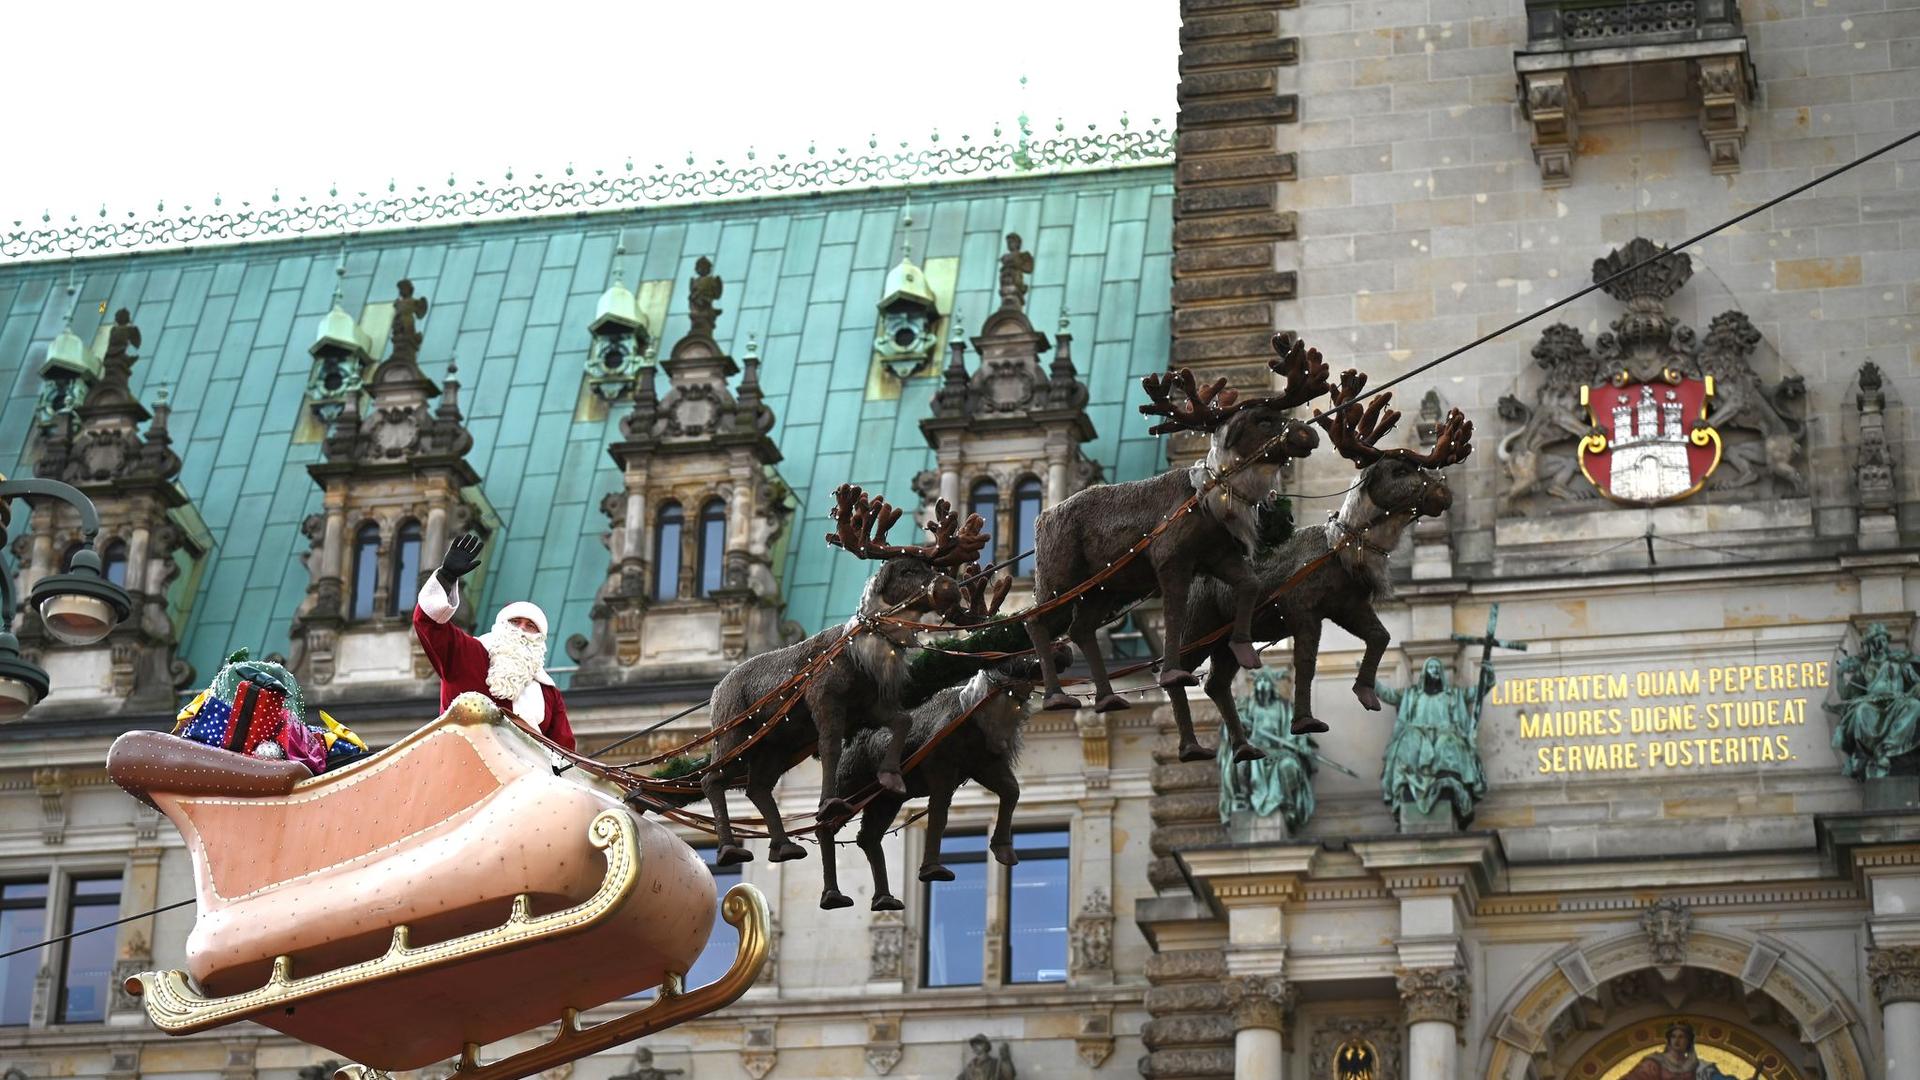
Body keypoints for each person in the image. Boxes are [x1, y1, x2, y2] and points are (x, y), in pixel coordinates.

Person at [414, 533, 575, 751]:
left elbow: (565, 751)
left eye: (530, 626)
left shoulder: (549, 693)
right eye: (515, 622)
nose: (520, 630)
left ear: (540, 640)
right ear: (500, 626)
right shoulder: (468, 654)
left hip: (528, 779)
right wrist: (446, 577)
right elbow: (429, 624)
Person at [1378, 657, 1488, 823]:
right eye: (1431, 667)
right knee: (1408, 743)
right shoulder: (1412, 694)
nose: (1435, 670)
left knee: (1450, 745)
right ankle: (1408, 788)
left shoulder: (1453, 694)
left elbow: (1476, 692)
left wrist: (1488, 679)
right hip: (1417, 734)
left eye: (1437, 667)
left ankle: (1448, 784)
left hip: (1446, 734)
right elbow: (1388, 695)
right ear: (1424, 673)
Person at [1622, 1022, 1756, 1079]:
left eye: (1682, 1037)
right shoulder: (1654, 1063)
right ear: (1668, 1040)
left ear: (1689, 1041)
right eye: (1673, 1037)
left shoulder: (1700, 1067)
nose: (1677, 1040)